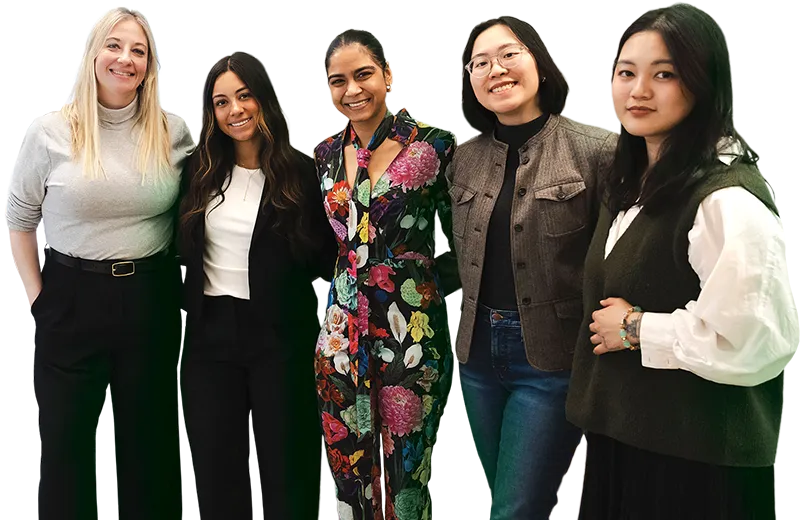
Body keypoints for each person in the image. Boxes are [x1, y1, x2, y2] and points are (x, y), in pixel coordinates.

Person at [565, 3, 798, 519]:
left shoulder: (726, 199)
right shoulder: (633, 181)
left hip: (695, 468)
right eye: (627, 73)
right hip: (630, 442)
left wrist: (637, 329)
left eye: (664, 74)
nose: (639, 91)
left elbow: (756, 339)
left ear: (704, 83)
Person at [6, 7, 194, 519]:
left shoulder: (173, 133)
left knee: (150, 443)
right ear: (93, 54)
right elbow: (20, 218)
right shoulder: (51, 133)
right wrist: (37, 299)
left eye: (138, 50)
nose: (125, 58)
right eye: (114, 45)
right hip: (69, 295)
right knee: (65, 444)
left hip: (149, 298)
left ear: (150, 66)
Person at [448, 15, 615, 520]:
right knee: (513, 496)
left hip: (551, 358)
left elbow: (619, 257)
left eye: (508, 54)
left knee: (514, 509)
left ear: (540, 64)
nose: (495, 69)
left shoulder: (597, 151)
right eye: (479, 63)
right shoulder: (462, 159)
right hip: (475, 356)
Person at [177, 51, 337, 520]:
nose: (235, 110)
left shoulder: (303, 173)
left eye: (244, 96)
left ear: (264, 99)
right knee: (215, 467)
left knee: (288, 464)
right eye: (221, 101)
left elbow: (328, 256)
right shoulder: (197, 171)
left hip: (280, 336)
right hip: (208, 336)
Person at [313, 28, 460, 520]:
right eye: (339, 81)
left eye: (364, 75)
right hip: (341, 336)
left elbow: (462, 234)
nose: (352, 89)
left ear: (387, 75)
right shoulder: (324, 154)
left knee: (406, 473)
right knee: (349, 471)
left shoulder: (433, 145)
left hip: (409, 331)